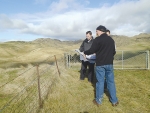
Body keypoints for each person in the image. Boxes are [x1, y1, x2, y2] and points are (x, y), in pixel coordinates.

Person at [84, 25, 118, 106]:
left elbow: (92, 50)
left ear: (100, 31)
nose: (96, 33)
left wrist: (85, 52)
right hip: (109, 64)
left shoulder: (98, 40)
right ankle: (114, 101)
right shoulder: (111, 40)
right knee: (111, 82)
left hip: (100, 64)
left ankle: (98, 101)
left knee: (100, 82)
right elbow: (113, 52)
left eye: (96, 31)